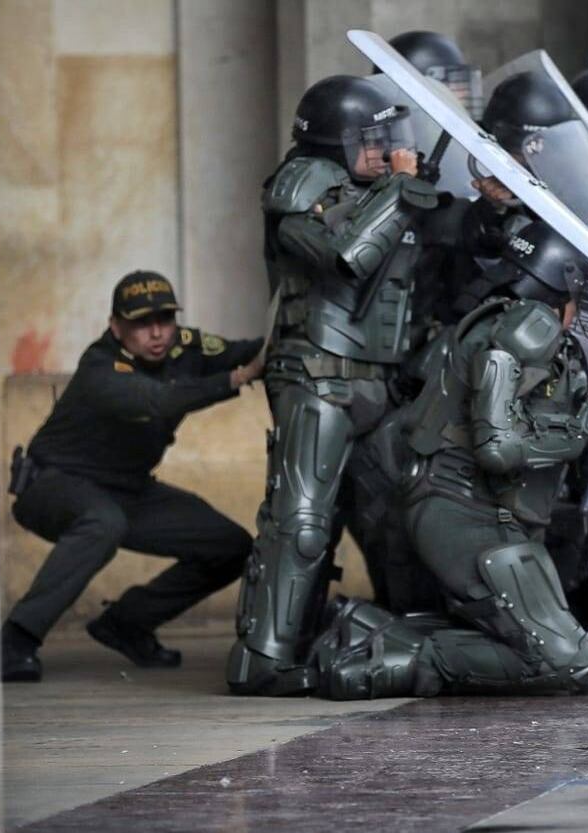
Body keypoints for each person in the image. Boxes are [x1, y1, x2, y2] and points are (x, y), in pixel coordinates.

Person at [226, 74, 491, 696]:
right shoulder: (300, 183)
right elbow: (345, 254)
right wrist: (401, 188)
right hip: (317, 375)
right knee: (303, 519)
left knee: (401, 512)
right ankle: (262, 659)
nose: (382, 149)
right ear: (333, 141)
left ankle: (408, 630)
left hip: (378, 382)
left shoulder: (380, 189)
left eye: (386, 138)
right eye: (367, 139)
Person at [309, 221, 588, 698]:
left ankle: (375, 628)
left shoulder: (502, 322)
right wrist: (582, 431)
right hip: (467, 511)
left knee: (560, 652)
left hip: (483, 512)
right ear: (560, 280)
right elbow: (499, 447)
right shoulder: (525, 332)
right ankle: (388, 650)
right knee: (567, 663)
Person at [1, 271, 263, 682]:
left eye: (165, 320)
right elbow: (155, 400)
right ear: (116, 326)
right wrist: (236, 379)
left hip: (127, 490)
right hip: (53, 484)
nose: (157, 333)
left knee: (229, 546)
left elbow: (251, 352)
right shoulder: (100, 366)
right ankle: (14, 641)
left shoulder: (185, 347)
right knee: (102, 522)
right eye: (142, 323)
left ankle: (127, 623)